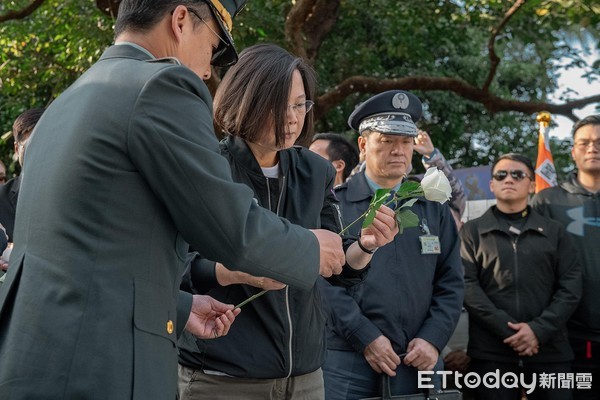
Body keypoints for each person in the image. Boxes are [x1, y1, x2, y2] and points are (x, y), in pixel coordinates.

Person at [0, 1, 346, 399]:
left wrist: (179, 307)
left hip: (41, 355)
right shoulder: (161, 85)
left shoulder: (70, 100)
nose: (208, 69)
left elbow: (86, 257)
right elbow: (230, 229)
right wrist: (309, 247)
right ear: (181, 21)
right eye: (213, 46)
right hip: (102, 364)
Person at [177, 43, 398, 400]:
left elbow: (337, 265)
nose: (293, 118)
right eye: (279, 106)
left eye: (300, 104)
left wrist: (366, 245)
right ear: (245, 100)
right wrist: (237, 272)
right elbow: (177, 265)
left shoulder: (315, 170)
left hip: (306, 375)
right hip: (222, 374)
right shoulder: (208, 167)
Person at [321, 90, 464, 399]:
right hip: (349, 359)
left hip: (419, 357)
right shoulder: (335, 205)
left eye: (406, 141)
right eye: (387, 141)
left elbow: (451, 281)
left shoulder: (432, 207)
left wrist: (433, 338)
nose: (399, 151)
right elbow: (323, 282)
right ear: (363, 145)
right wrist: (366, 336)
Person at [462, 153, 582, 400]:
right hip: (491, 351)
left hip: (549, 349)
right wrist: (507, 331)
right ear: (492, 184)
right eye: (501, 175)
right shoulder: (472, 231)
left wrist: (537, 330)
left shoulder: (554, 232)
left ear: (531, 184)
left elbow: (570, 287)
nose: (509, 179)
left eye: (518, 174)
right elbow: (466, 286)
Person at [532, 114, 600, 400]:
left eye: (598, 142)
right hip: (562, 337)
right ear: (573, 151)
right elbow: (533, 269)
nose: (592, 148)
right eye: (584, 142)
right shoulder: (547, 201)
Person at [0, 108, 44, 243]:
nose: (40, 153)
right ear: (17, 149)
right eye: (31, 146)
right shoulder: (1, 199)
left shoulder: (76, 194)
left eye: (45, 145)